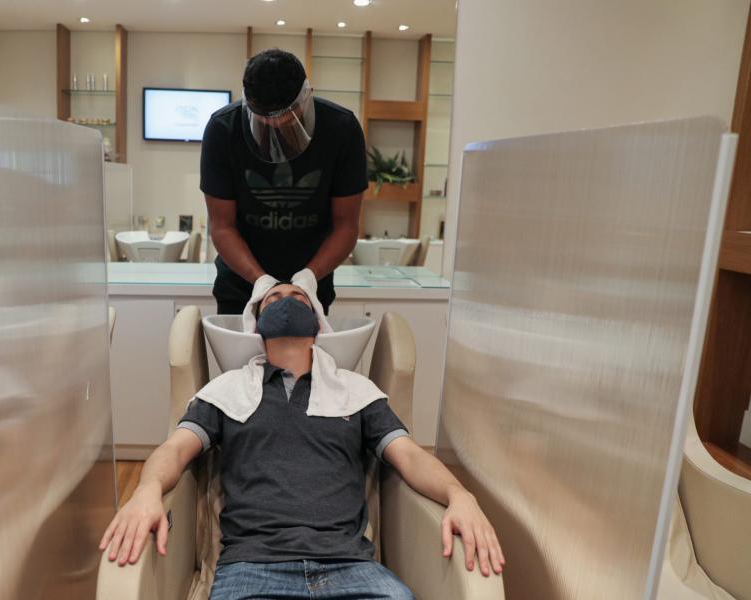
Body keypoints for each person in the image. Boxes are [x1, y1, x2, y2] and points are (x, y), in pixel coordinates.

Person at [99, 284, 504, 599]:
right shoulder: (227, 391)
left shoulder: (356, 392)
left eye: (298, 297)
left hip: (354, 571)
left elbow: (411, 458)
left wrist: (459, 494)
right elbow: (174, 449)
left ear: (317, 323)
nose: (286, 299)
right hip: (252, 571)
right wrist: (147, 490)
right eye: (273, 298)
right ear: (257, 325)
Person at [201, 48, 367, 315]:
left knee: (305, 358)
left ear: (306, 97)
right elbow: (222, 227)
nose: (276, 131)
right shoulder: (223, 130)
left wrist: (308, 278)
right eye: (266, 124)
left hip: (310, 289)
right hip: (240, 288)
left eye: (288, 122)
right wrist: (262, 282)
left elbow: (346, 226)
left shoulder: (341, 129)